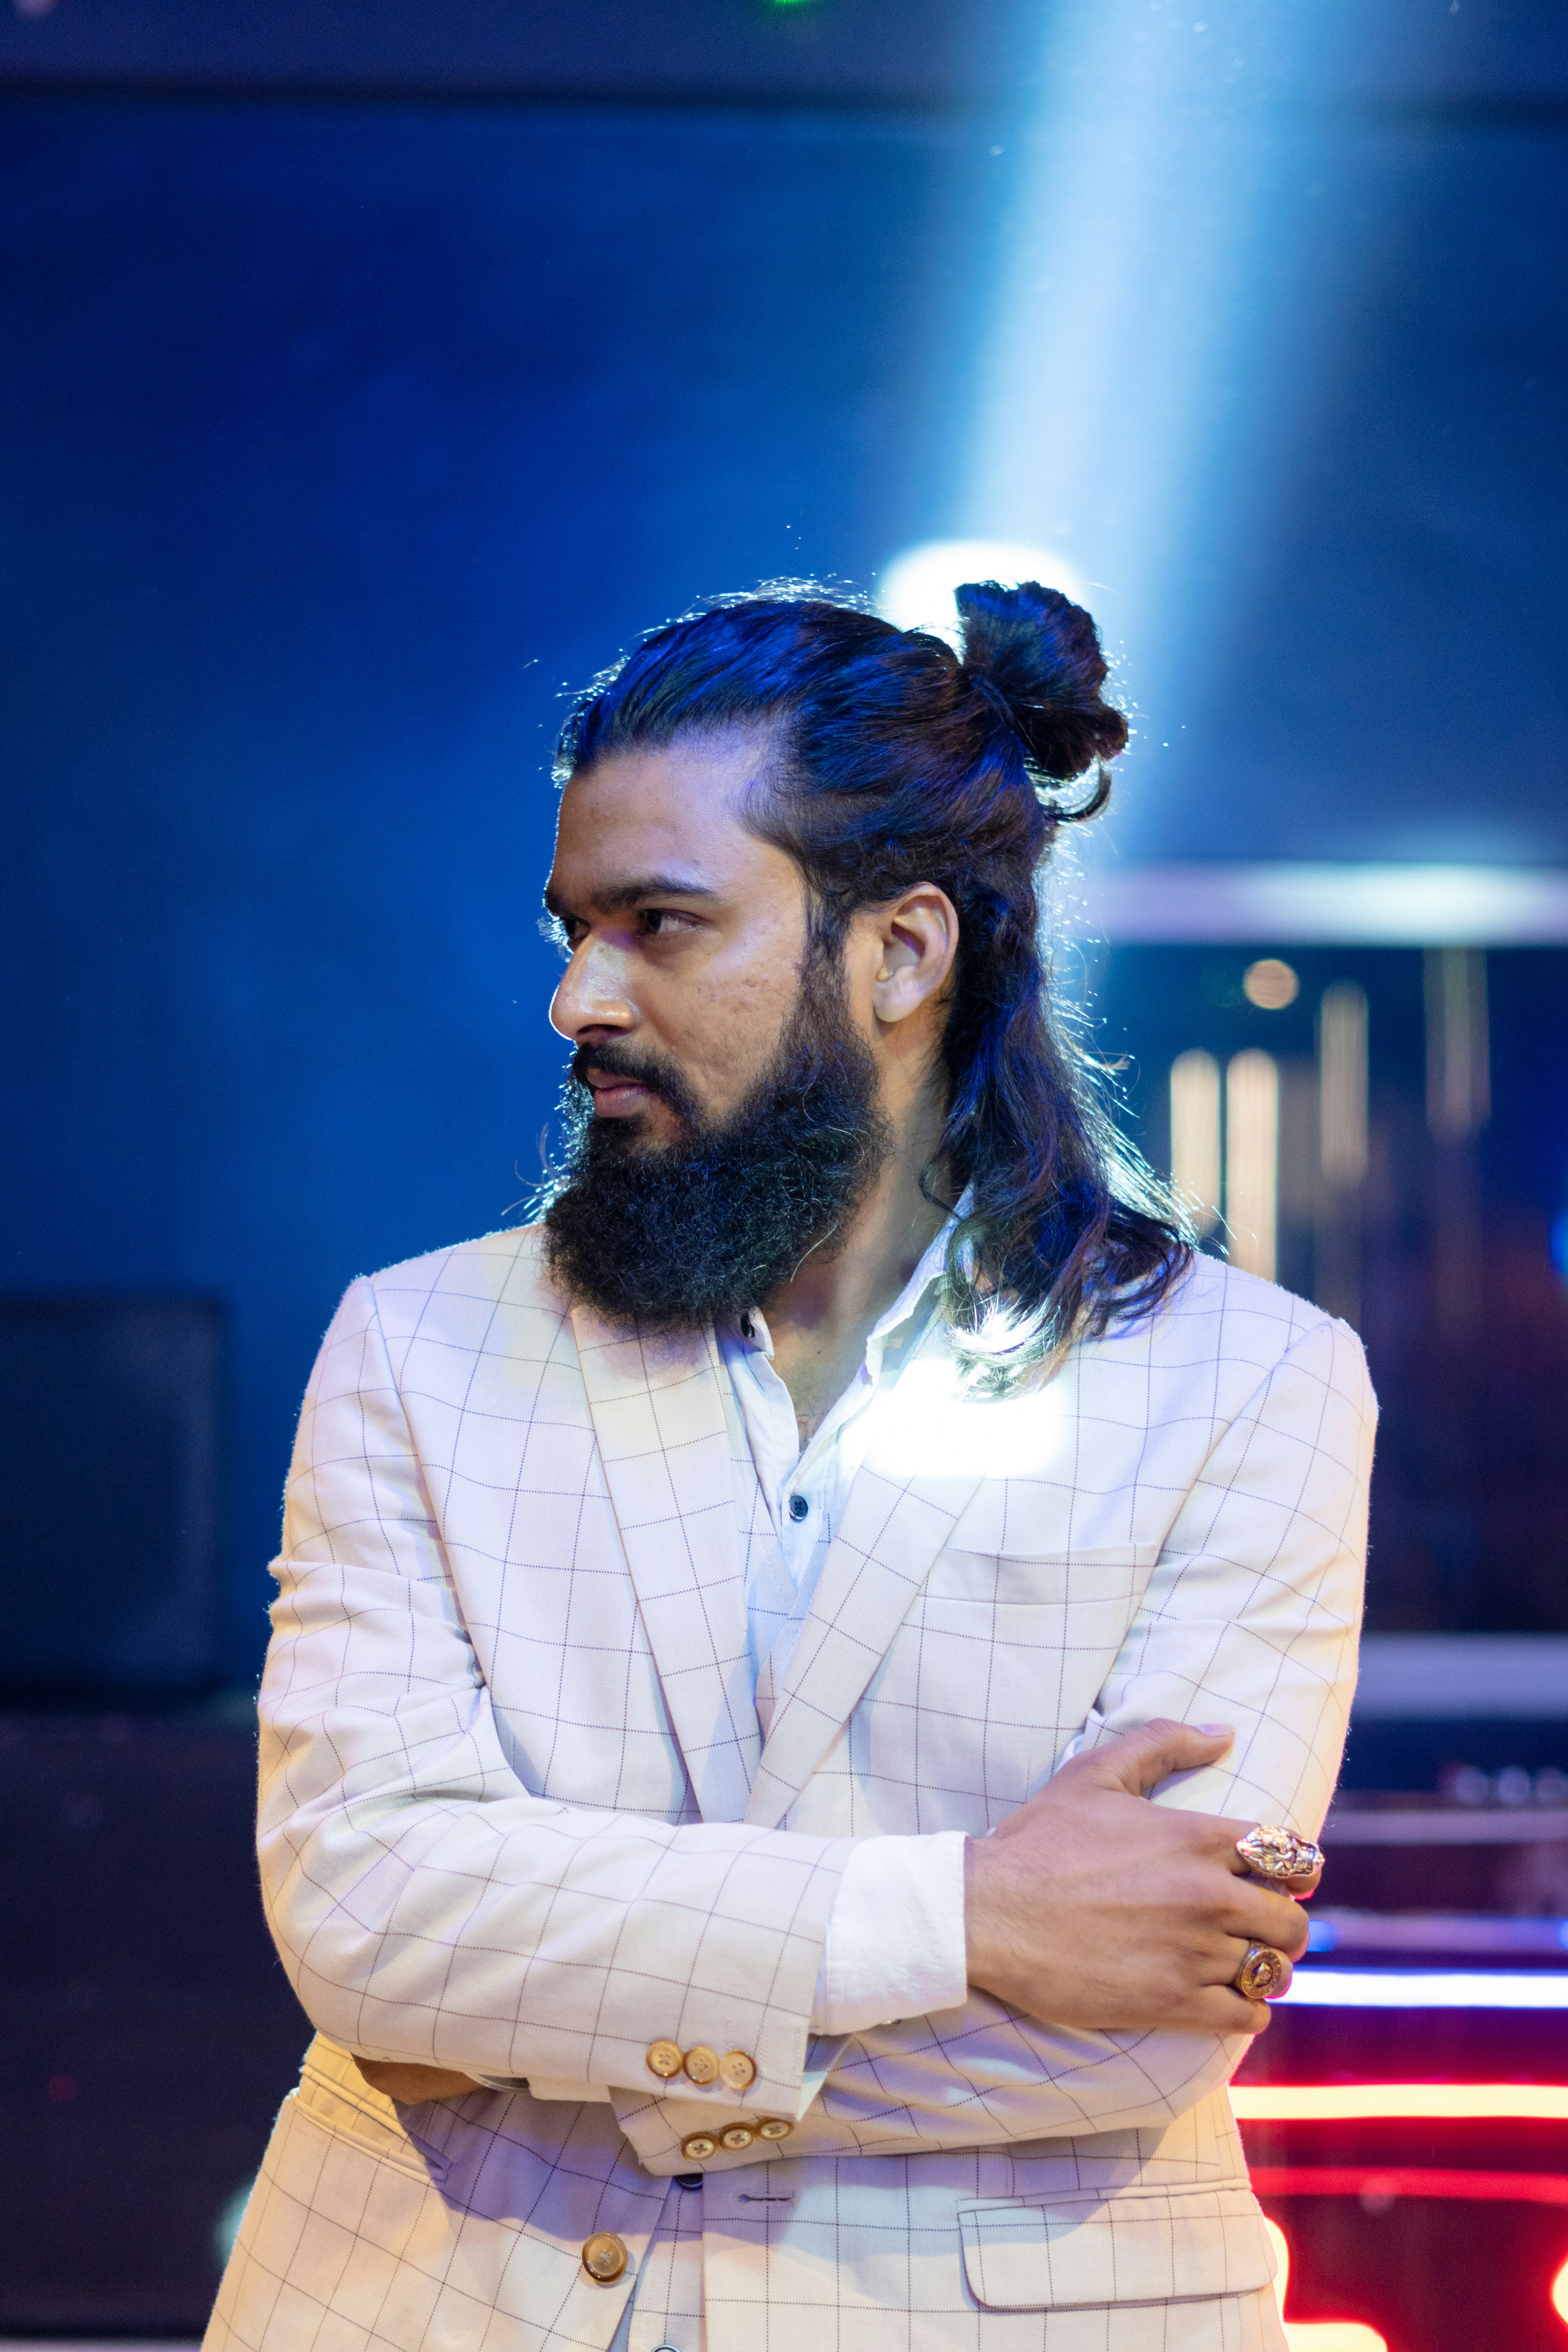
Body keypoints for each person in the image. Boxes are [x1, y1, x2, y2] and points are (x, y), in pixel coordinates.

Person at [207, 583, 1373, 2352]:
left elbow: (1143, 2013)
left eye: (658, 924)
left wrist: (549, 2027)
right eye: (569, 930)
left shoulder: (1253, 1381)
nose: (578, 999)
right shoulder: (411, 1342)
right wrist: (966, 1914)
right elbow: (369, 1923)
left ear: (901, 952)